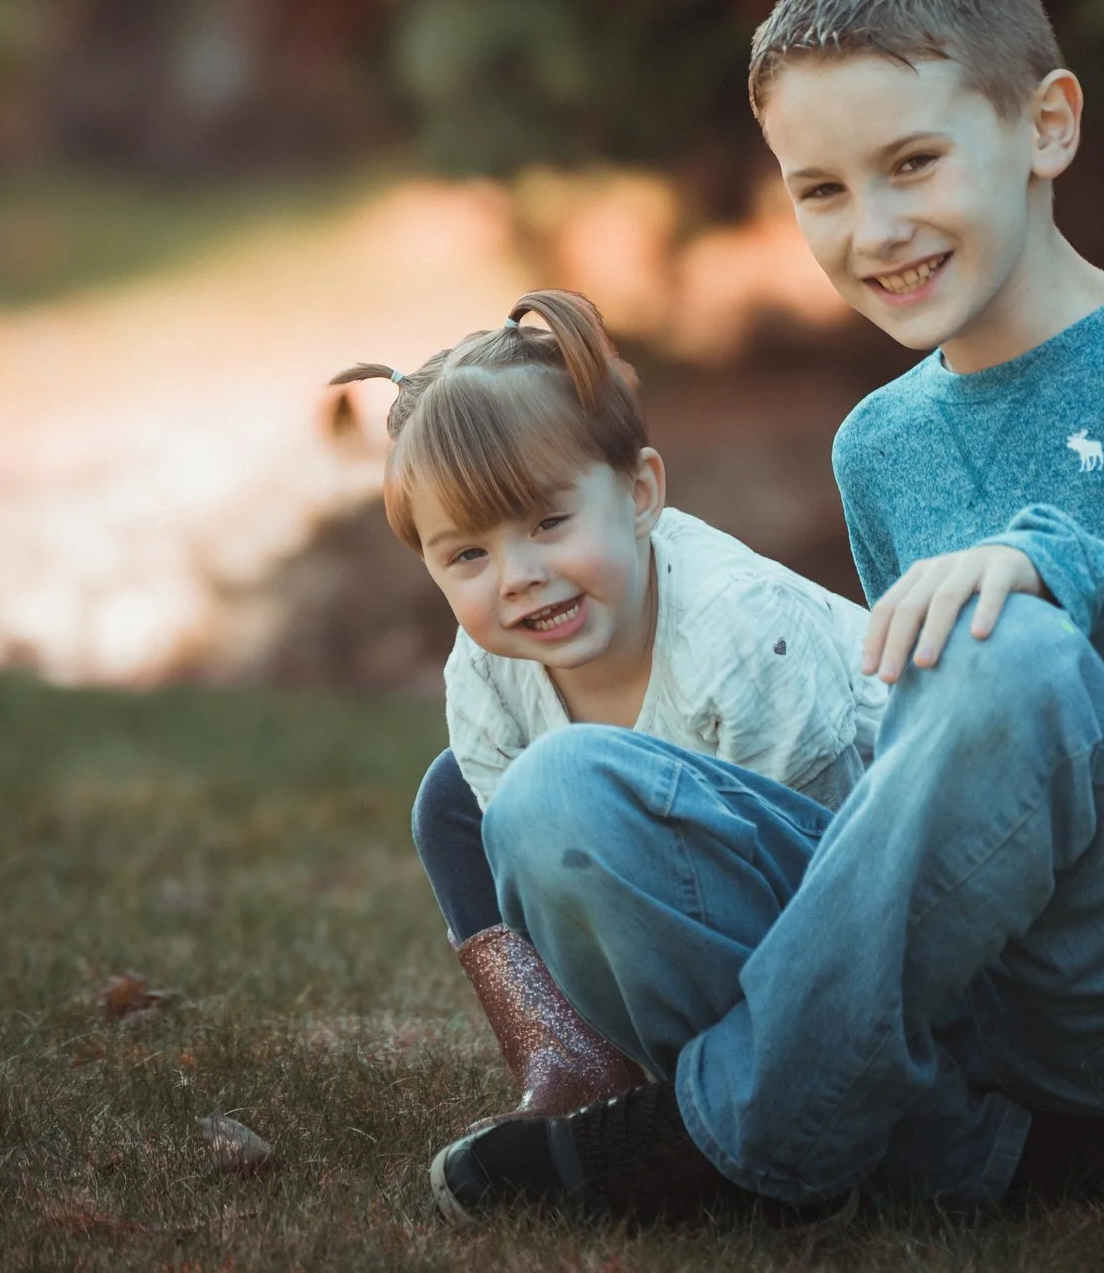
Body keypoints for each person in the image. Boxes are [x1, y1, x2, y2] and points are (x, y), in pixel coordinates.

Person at [430, 0, 1104, 1223]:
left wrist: (1066, 573)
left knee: (1007, 643)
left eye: (913, 162)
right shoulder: (882, 442)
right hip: (982, 989)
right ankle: (1002, 1158)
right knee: (550, 795)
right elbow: (914, 773)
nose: (872, 229)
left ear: (1046, 127)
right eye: (819, 188)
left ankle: (718, 1137)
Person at [331, 289, 884, 1127]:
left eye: (550, 521)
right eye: (469, 553)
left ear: (639, 493)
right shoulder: (485, 672)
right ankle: (573, 1062)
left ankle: (742, 1078)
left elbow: (839, 872)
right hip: (687, 872)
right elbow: (536, 866)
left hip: (860, 886)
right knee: (452, 798)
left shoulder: (740, 634)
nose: (518, 575)